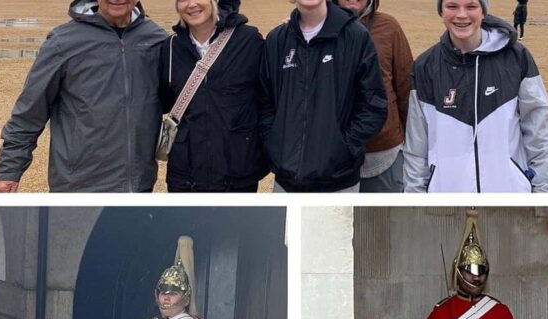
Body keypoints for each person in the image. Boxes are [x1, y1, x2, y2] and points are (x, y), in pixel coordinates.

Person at [0, 0, 168, 192]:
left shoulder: (156, 39)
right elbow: (31, 110)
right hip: (78, 185)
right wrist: (10, 170)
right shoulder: (64, 41)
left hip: (138, 185)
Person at [403, 0, 548, 193]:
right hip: (446, 200)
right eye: (452, 6)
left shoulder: (517, 58)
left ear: (483, 11)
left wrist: (546, 192)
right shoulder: (425, 66)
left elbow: (539, 132)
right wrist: (415, 199)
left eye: (471, 6)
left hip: (508, 196)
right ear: (441, 11)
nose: (461, 14)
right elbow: (416, 146)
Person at [258, 0, 388, 193]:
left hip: (339, 183)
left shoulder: (355, 36)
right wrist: (275, 144)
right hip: (286, 183)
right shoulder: (277, 40)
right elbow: (264, 102)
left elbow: (373, 105)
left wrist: (343, 149)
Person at [160, 0, 268, 192]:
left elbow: (268, 99)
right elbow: (162, 101)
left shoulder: (249, 40)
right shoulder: (169, 48)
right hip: (185, 176)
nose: (191, 4)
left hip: (237, 174)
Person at [334, 0, 413, 193]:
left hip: (383, 150)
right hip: (332, 154)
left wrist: (411, 144)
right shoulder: (316, 28)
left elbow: (406, 89)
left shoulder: (389, 27)